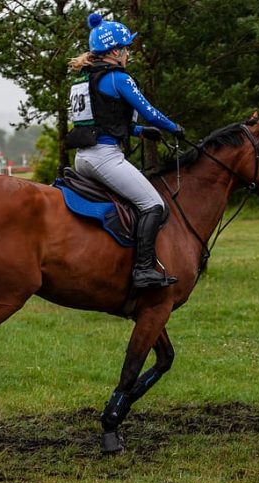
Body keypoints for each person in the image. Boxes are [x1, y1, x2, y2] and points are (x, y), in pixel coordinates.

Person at [66, 12, 184, 289]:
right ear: (116, 51)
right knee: (153, 204)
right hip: (104, 158)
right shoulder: (119, 78)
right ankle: (143, 270)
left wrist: (141, 132)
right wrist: (173, 127)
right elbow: (150, 112)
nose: (128, 54)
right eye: (127, 48)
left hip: (83, 158)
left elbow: (104, 121)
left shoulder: (85, 79)